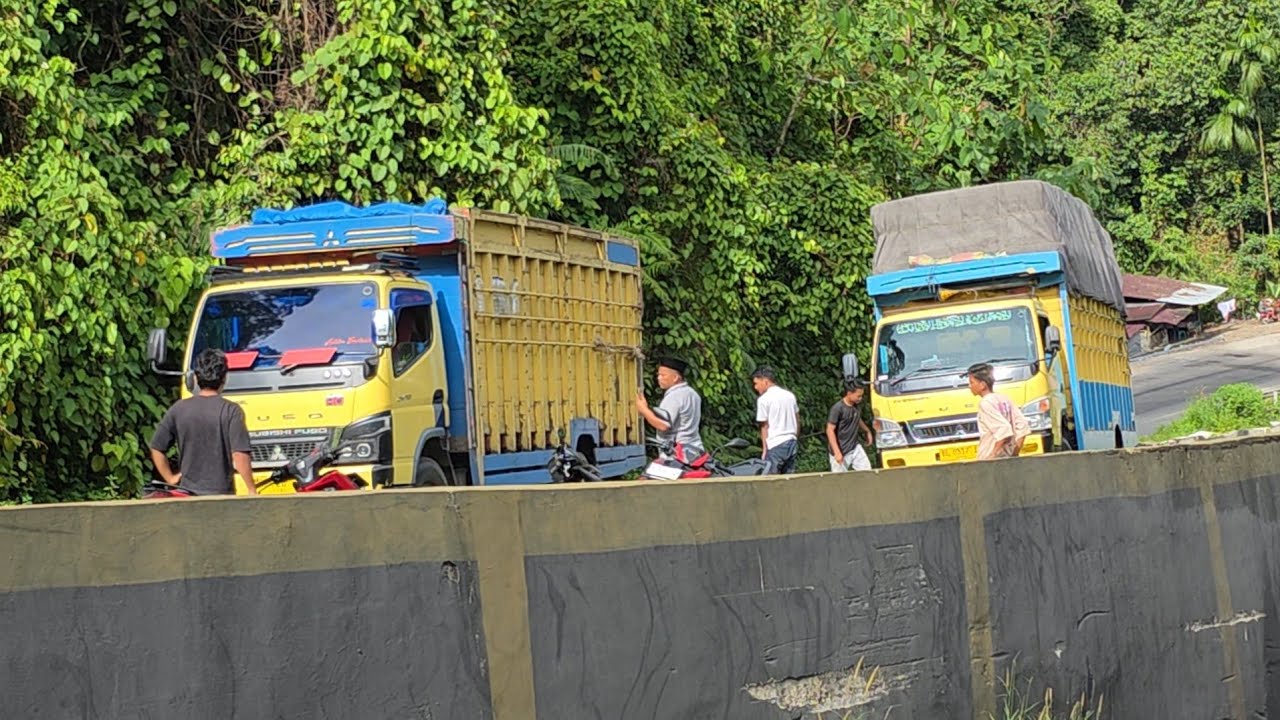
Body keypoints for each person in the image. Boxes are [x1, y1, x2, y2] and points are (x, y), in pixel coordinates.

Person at [148, 348, 257, 495]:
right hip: (221, 497)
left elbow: (156, 447)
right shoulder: (231, 411)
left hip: (188, 495)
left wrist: (171, 478)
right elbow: (239, 455)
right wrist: (251, 489)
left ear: (195, 378)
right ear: (224, 378)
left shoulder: (179, 409)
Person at [636, 356, 704, 459]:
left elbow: (663, 425)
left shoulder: (674, 396)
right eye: (658, 375)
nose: (659, 378)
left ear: (675, 378)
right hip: (695, 450)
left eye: (663, 375)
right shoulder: (693, 394)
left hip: (676, 454)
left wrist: (644, 410)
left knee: (647, 475)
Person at [966, 362, 1030, 461]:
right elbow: (1023, 425)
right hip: (1008, 459)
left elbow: (1004, 431)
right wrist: (1014, 453)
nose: (969, 386)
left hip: (991, 462)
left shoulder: (986, 403)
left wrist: (992, 456)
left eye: (972, 382)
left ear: (983, 385)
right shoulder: (1004, 399)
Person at [752, 365, 800, 474]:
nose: (755, 387)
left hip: (775, 444)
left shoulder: (763, 399)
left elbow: (764, 426)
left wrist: (765, 450)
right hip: (792, 443)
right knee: (789, 479)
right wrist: (795, 437)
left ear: (765, 381)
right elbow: (797, 419)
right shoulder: (790, 396)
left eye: (756, 383)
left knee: (771, 481)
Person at [826, 378, 873, 472]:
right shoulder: (838, 408)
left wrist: (867, 430)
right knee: (840, 481)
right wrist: (837, 452)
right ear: (849, 393)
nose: (860, 398)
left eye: (861, 396)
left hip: (854, 447)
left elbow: (856, 418)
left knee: (867, 472)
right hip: (840, 450)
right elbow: (829, 430)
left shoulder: (856, 406)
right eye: (858, 396)